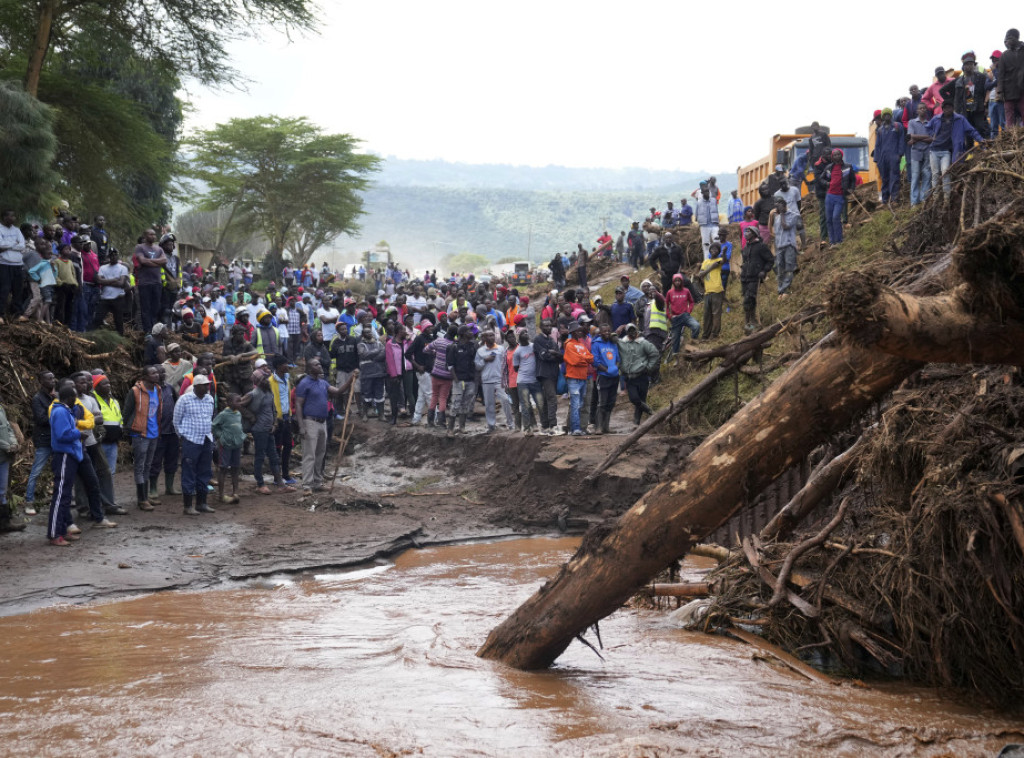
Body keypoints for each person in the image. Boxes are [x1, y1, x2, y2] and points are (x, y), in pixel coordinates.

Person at [295, 358, 344, 494]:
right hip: (309, 422)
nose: (320, 366)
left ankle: (317, 482)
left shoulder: (323, 382)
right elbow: (298, 404)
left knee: (320, 454)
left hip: (323, 422)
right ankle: (306, 485)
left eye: (320, 364)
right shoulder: (304, 384)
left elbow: (338, 391)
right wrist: (301, 426)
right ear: (310, 368)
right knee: (309, 454)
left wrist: (351, 380)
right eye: (316, 364)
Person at [45, 385, 87, 545]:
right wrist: (78, 433)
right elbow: (62, 434)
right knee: (60, 495)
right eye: (74, 396)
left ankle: (62, 530)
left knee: (66, 496)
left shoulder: (65, 410)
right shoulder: (60, 411)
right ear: (69, 397)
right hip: (63, 455)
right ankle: (55, 534)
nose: (76, 399)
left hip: (70, 455)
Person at [173, 373, 215, 515]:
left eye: (208, 385)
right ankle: (188, 506)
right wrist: (183, 436)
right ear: (196, 386)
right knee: (189, 472)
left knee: (205, 471)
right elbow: (176, 421)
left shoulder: (209, 399)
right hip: (191, 440)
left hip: (206, 439)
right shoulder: (184, 400)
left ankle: (202, 503)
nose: (207, 387)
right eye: (204, 385)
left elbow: (210, 417)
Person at [122, 366, 162, 511]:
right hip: (140, 433)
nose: (156, 375)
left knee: (148, 465)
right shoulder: (135, 391)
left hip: (154, 432)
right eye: (152, 373)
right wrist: (127, 430)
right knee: (140, 465)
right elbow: (126, 412)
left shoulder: (158, 390)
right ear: (144, 376)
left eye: (156, 372)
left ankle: (146, 496)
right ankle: (142, 499)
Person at [927, 99, 986, 197]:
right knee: (936, 174)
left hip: (952, 150)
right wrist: (932, 134)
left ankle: (950, 196)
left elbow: (971, 131)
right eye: (945, 108)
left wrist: (980, 139)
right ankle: (936, 197)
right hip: (937, 149)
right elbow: (928, 127)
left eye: (950, 107)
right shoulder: (936, 119)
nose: (948, 109)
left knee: (950, 171)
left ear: (953, 108)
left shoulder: (960, 119)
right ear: (942, 109)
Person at [941, 51, 991, 144]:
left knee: (982, 128)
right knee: (968, 131)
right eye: (966, 64)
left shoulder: (981, 77)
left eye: (971, 64)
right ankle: (970, 152)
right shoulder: (958, 80)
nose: (969, 66)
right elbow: (942, 91)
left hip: (978, 108)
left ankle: (986, 148)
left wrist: (986, 105)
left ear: (974, 65)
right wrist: (952, 101)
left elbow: (987, 90)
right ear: (963, 66)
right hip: (964, 110)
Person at [617, 324, 659, 425]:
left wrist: (649, 367)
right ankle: (649, 411)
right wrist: (617, 331)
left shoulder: (643, 343)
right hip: (630, 377)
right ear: (627, 333)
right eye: (630, 331)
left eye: (634, 331)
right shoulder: (622, 343)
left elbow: (655, 354)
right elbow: (611, 337)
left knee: (641, 398)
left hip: (642, 375)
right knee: (634, 398)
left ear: (637, 331)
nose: (632, 333)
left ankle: (637, 423)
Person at [212, 393, 245, 504]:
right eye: (237, 401)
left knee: (235, 468)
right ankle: (221, 494)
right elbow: (214, 426)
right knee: (223, 468)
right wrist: (221, 436)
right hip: (225, 445)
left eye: (240, 401)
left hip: (236, 445)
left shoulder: (238, 414)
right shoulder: (223, 414)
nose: (240, 403)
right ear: (229, 402)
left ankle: (235, 492)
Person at [740, 228, 776, 331]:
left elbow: (770, 260)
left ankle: (751, 321)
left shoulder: (761, 246)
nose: (746, 233)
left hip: (755, 277)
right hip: (744, 278)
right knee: (747, 299)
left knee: (749, 298)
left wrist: (764, 271)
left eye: (749, 232)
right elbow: (745, 261)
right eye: (745, 231)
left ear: (754, 234)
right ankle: (749, 321)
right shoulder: (745, 248)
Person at [818, 149, 856, 245]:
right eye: (834, 155)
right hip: (829, 196)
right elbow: (821, 178)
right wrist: (827, 183)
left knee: (836, 217)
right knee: (829, 219)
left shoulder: (848, 167)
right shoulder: (829, 167)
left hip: (840, 196)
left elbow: (853, 180)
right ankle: (832, 241)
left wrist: (851, 189)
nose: (836, 156)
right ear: (832, 157)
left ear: (841, 155)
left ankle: (839, 241)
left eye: (838, 154)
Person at [445, 325, 478, 437]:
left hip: (470, 379)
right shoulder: (453, 347)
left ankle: (462, 427)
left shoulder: (472, 346)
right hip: (459, 380)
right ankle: (450, 429)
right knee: (455, 403)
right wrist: (456, 380)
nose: (471, 332)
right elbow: (449, 365)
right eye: (469, 331)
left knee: (466, 403)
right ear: (463, 333)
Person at [133, 228, 167, 332]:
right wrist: (157, 262)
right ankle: (147, 331)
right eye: (150, 234)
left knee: (156, 307)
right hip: (145, 283)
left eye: (154, 235)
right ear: (145, 235)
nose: (153, 236)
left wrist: (149, 261)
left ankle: (153, 329)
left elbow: (164, 260)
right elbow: (142, 261)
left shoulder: (159, 249)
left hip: (157, 282)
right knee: (145, 308)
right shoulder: (140, 247)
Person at [771, 197, 806, 296]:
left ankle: (784, 290)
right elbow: (777, 234)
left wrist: (782, 214)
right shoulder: (776, 218)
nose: (777, 208)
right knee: (779, 269)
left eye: (779, 206)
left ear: (784, 205)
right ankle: (781, 290)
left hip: (789, 245)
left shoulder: (794, 216)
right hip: (779, 246)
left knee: (789, 268)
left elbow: (786, 226)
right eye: (776, 206)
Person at [0, 400, 26, 533]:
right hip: (4, 451)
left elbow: (9, 428)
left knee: (2, 490)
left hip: (3, 457)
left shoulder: (1, 408)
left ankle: (4, 522)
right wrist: (7, 445)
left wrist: (14, 442)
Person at [563, 322, 593, 436]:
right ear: (573, 332)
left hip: (583, 377)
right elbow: (575, 361)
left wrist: (583, 359)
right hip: (573, 378)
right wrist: (584, 359)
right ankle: (575, 429)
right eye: (578, 330)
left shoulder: (581, 344)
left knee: (580, 404)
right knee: (575, 404)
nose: (580, 332)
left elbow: (591, 358)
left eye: (580, 330)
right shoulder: (569, 345)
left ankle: (579, 428)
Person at [590, 323, 619, 435]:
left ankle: (606, 427)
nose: (607, 333)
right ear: (600, 332)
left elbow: (617, 358)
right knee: (602, 402)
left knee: (611, 403)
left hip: (614, 376)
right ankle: (598, 427)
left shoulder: (613, 343)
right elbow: (595, 361)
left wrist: (615, 367)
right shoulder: (596, 344)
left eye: (608, 331)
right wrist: (606, 370)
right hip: (603, 377)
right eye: (604, 331)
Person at [475, 330, 505, 433]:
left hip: (500, 379)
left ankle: (511, 424)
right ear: (484, 338)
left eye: (493, 335)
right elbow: (477, 366)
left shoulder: (501, 348)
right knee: (489, 404)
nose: (492, 337)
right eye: (489, 336)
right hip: (487, 380)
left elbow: (505, 364)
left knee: (505, 400)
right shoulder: (480, 351)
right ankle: (491, 426)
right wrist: (485, 360)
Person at [873, 108, 905, 204]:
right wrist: (877, 159)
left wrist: (899, 154)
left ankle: (895, 198)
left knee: (894, 177)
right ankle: (885, 200)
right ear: (882, 117)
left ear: (891, 115)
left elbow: (901, 141)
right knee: (884, 178)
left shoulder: (897, 126)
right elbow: (877, 145)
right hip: (883, 158)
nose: (886, 116)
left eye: (888, 114)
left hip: (893, 156)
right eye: (885, 115)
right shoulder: (880, 130)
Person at [93, 249, 129, 333]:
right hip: (105, 298)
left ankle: (120, 339)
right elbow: (99, 281)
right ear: (109, 256)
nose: (113, 257)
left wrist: (106, 282)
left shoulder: (123, 268)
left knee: (119, 321)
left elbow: (121, 283)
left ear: (118, 255)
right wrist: (114, 279)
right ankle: (93, 336)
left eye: (115, 255)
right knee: (97, 319)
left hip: (118, 298)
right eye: (111, 255)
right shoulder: (103, 268)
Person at [92, 375, 122, 476]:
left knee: (111, 471)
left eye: (109, 383)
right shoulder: (93, 400)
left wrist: (119, 434)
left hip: (113, 442)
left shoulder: (114, 401)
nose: (108, 385)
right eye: (105, 383)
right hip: (100, 443)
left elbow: (120, 419)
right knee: (99, 471)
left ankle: (109, 492)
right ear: (96, 387)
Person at [0, 209, 26, 324]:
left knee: (18, 290)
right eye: (11, 216)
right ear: (5, 217)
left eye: (14, 216)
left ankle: (16, 314)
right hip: (4, 264)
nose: (13, 218)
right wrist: (14, 244)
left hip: (17, 264)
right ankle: (0, 315)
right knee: (3, 290)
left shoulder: (16, 230)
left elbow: (22, 245)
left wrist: (8, 245)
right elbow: (0, 245)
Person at [907, 102, 935, 205]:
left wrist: (916, 138)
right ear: (917, 111)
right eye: (920, 108)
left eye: (924, 108)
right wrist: (924, 137)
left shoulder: (930, 123)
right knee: (915, 176)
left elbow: (932, 138)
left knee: (927, 175)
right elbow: (911, 136)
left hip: (927, 152)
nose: (922, 110)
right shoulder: (912, 122)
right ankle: (914, 202)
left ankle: (924, 200)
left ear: (926, 110)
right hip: (915, 152)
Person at [357, 327, 387, 420]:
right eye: (366, 332)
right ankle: (365, 414)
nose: (369, 333)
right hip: (367, 373)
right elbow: (363, 355)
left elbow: (384, 353)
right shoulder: (361, 345)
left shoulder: (378, 343)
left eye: (370, 332)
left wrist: (373, 357)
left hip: (378, 372)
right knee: (366, 394)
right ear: (363, 335)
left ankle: (381, 415)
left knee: (380, 393)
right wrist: (376, 352)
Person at [698, 244, 726, 340]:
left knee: (716, 313)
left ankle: (714, 335)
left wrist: (724, 252)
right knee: (707, 315)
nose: (714, 250)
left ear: (718, 252)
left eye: (716, 249)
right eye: (712, 248)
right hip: (707, 291)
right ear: (709, 250)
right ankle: (705, 335)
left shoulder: (718, 261)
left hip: (717, 290)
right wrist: (710, 268)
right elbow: (700, 274)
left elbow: (724, 260)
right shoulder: (705, 262)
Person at [997, 28, 1024, 128]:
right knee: (1009, 117)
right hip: (1009, 91)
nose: (1006, 42)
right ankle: (1010, 138)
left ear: (1015, 38)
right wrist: (999, 92)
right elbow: (1000, 75)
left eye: (1008, 39)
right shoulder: (1004, 55)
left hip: (1022, 90)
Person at [666, 273, 698, 354]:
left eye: (679, 280)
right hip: (675, 318)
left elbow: (691, 302)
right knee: (675, 339)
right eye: (675, 281)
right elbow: (666, 306)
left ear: (681, 281)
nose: (677, 282)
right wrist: (669, 316)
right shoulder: (670, 292)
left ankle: (691, 346)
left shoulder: (686, 291)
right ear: (673, 282)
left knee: (696, 326)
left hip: (685, 316)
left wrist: (688, 311)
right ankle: (675, 356)